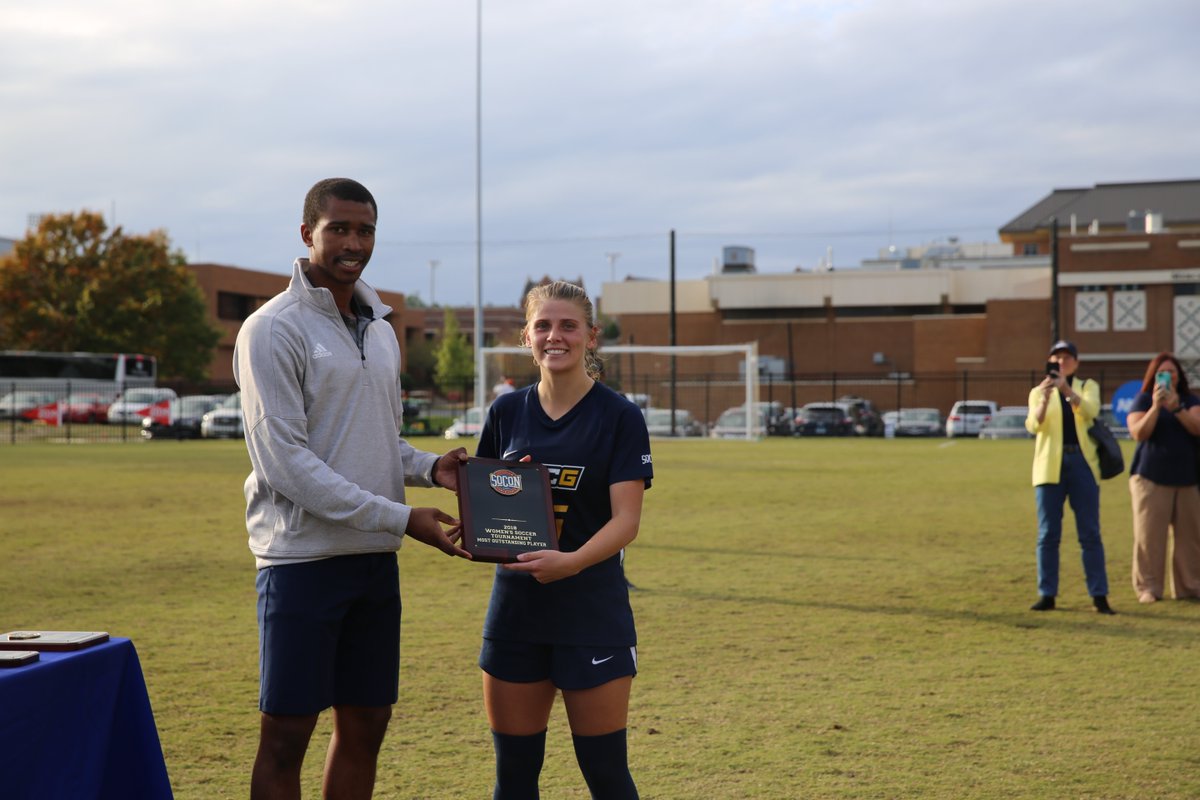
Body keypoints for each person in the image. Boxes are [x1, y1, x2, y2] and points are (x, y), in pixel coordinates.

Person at [234, 177, 470, 800]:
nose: (353, 243)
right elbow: (286, 461)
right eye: (338, 228)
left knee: (366, 725)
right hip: (302, 562)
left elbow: (378, 439)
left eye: (365, 230)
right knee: (286, 737)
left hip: (372, 560)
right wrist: (400, 517)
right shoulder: (271, 329)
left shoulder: (382, 327)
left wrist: (433, 468)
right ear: (306, 232)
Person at [474, 281, 652, 799]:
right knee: (513, 779)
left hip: (591, 613)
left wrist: (571, 562)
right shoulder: (506, 413)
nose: (555, 336)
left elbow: (626, 521)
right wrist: (478, 528)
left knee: (607, 776)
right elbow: (484, 504)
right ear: (527, 336)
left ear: (590, 337)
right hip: (516, 615)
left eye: (569, 326)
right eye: (544, 325)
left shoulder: (620, 416)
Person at [1024, 340, 1116, 614]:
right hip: (1048, 466)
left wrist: (1066, 389)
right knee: (1048, 534)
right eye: (1056, 358)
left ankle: (1099, 595)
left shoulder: (1087, 386)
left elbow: (1090, 411)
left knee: (1089, 533)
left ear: (1076, 362)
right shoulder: (1038, 391)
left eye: (1066, 358)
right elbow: (1033, 426)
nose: (1061, 363)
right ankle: (1047, 594)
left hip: (1081, 463)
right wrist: (1044, 398)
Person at [1125, 352, 1200, 603]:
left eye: (1172, 372)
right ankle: (1148, 588)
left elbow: (1197, 427)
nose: (1168, 376)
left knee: (1190, 538)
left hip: (1188, 479)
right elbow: (1138, 432)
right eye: (1162, 373)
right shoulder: (1143, 400)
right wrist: (1156, 407)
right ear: (1154, 376)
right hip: (1151, 478)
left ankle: (1189, 586)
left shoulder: (1190, 400)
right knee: (1149, 537)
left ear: (1179, 376)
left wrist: (1177, 407)